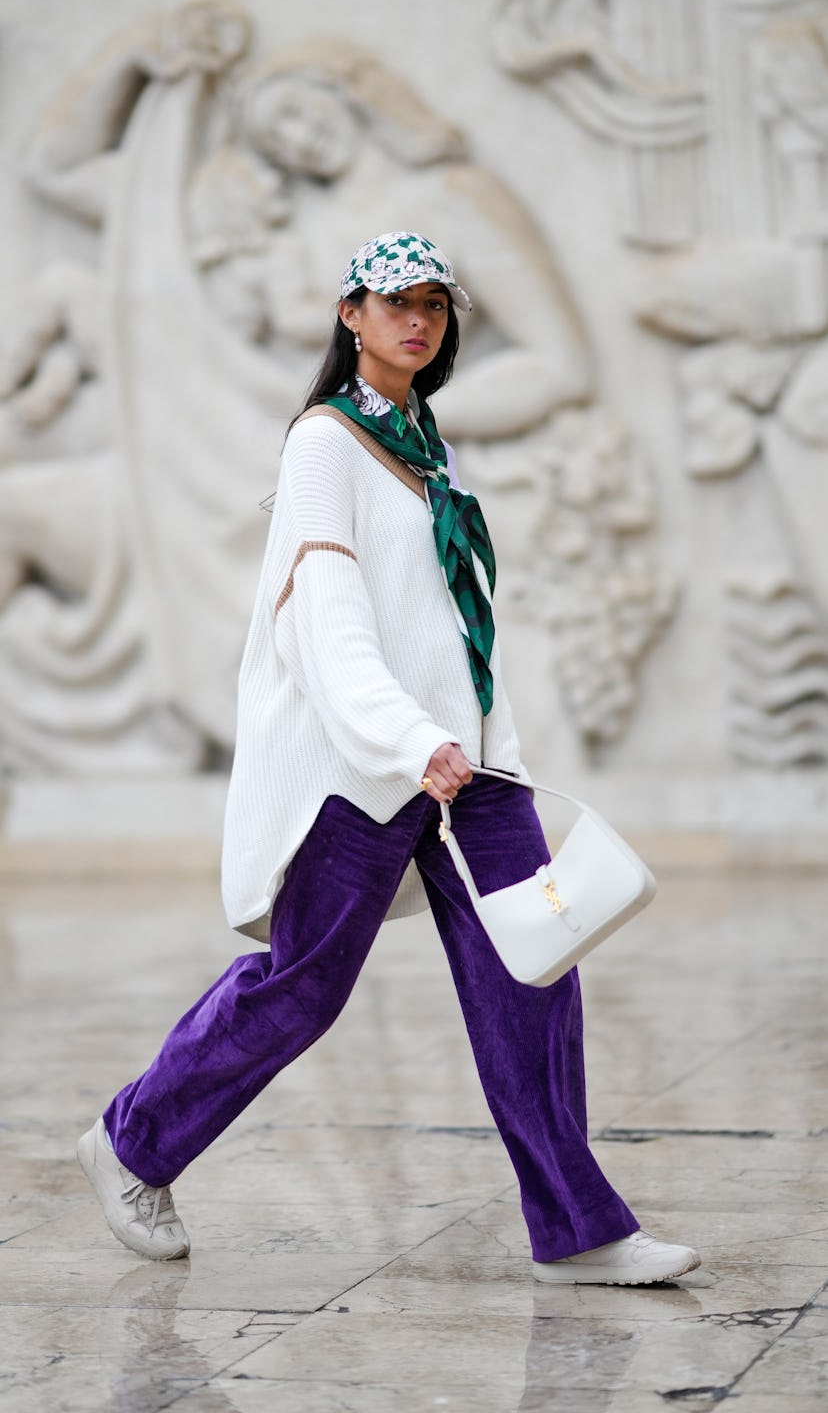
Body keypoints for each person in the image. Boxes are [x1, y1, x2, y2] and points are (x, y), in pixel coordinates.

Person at [78, 230, 701, 1286]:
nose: (417, 318)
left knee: (534, 969)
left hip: (470, 767)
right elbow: (329, 621)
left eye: (435, 304)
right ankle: (134, 1141)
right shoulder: (325, 442)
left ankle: (578, 1229)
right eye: (393, 300)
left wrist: (489, 742)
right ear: (350, 315)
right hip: (364, 765)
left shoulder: (426, 443)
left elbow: (460, 618)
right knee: (302, 988)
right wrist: (413, 739)